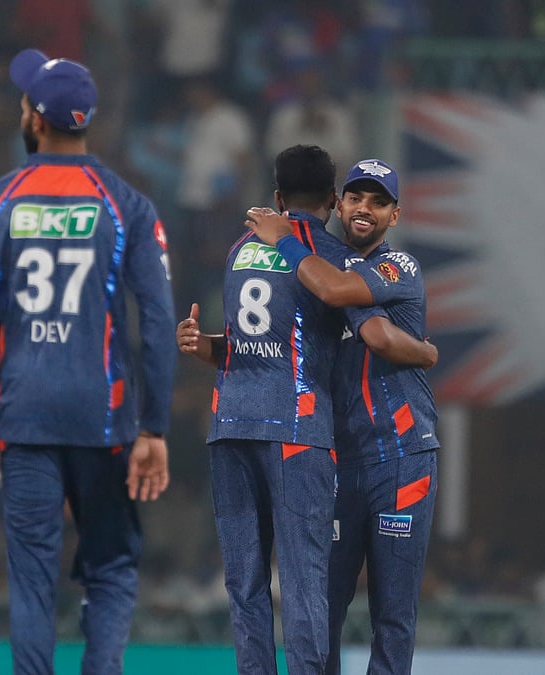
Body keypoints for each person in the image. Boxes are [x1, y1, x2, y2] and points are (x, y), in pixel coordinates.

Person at [0, 49, 176, 675]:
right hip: (105, 418)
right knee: (112, 564)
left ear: (36, 120)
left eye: (24, 101)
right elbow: (156, 323)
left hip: (24, 416)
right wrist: (154, 428)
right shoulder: (128, 205)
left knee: (33, 574)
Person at [244, 159, 439, 675]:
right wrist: (211, 347)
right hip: (334, 464)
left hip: (402, 459)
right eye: (356, 198)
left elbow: (348, 303)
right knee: (320, 612)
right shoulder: (315, 271)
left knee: (392, 617)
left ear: (394, 216)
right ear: (338, 202)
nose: (364, 209)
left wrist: (281, 237)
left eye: (378, 202)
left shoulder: (399, 268)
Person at [177, 144, 350, 673]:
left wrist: (203, 344)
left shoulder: (239, 249)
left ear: (277, 196)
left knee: (245, 582)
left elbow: (251, 341)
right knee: (302, 580)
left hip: (231, 422)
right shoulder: (329, 258)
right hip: (296, 427)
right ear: (333, 199)